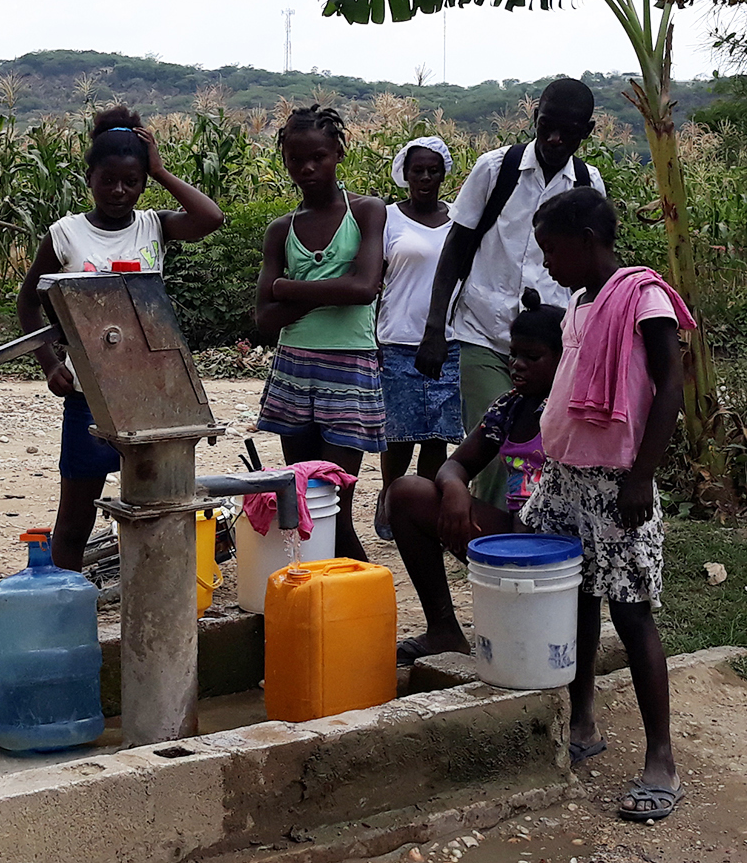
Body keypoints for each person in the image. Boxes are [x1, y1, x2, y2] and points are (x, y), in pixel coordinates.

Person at [526, 187, 692, 824]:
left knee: (630, 612)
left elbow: (671, 383)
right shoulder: (577, 303)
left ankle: (661, 761)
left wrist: (642, 476)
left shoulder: (643, 296)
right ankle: (584, 720)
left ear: (587, 240)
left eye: (551, 248)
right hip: (566, 478)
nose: (546, 263)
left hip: (617, 479)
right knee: (575, 601)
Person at [18, 106, 226, 572]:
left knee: (156, 503)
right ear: (89, 177)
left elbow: (211, 217)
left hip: (153, 391)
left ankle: (152, 593)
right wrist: (51, 364)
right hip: (90, 393)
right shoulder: (66, 235)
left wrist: (161, 168)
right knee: (75, 517)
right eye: (108, 180)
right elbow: (27, 304)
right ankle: (67, 603)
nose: (119, 191)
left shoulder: (154, 226)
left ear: (143, 181)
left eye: (131, 181)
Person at [415, 79, 602, 502]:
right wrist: (434, 328)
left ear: (586, 132)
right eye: (546, 125)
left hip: (552, 348)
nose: (554, 139)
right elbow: (456, 248)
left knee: (543, 450)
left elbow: (594, 270)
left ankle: (531, 542)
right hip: (483, 332)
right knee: (492, 453)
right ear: (534, 118)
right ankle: (485, 548)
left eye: (567, 131)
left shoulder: (588, 186)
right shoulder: (495, 169)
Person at [385, 289, 563, 663]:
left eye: (533, 357)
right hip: (511, 541)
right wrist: (454, 490)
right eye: (514, 354)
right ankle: (444, 630)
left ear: (565, 361)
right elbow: (456, 463)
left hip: (560, 556)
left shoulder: (569, 412)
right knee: (404, 494)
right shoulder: (510, 408)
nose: (517, 365)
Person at [252, 105, 388, 562]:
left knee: (337, 505)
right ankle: (321, 599)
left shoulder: (367, 211)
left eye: (319, 157)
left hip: (349, 367)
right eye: (296, 159)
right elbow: (265, 319)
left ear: (338, 154)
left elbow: (365, 288)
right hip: (295, 368)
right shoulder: (282, 229)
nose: (307, 168)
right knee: (306, 499)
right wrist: (332, 288)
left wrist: (289, 288)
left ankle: (363, 601)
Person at [372, 135, 461, 543]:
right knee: (399, 433)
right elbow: (374, 280)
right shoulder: (388, 218)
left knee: (437, 434)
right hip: (399, 337)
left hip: (450, 339)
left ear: (444, 173)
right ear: (404, 175)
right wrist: (370, 338)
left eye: (433, 170)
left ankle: (423, 506)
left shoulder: (460, 220)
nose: (425, 177)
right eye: (417, 170)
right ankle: (390, 497)